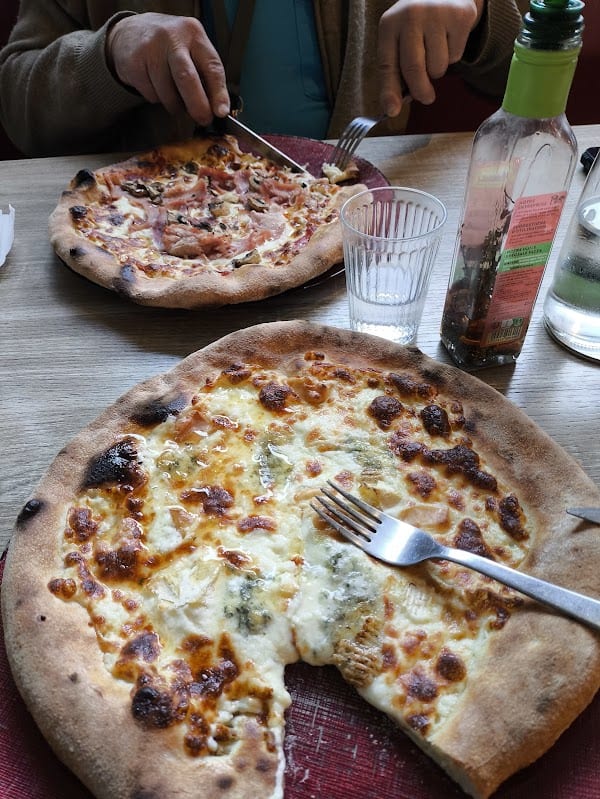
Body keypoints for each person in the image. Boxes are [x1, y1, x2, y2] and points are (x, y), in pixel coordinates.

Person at [0, 0, 528, 158]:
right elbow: (16, 102)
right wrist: (108, 54)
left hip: (364, 238)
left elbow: (536, 63)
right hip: (145, 234)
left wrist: (477, 12)